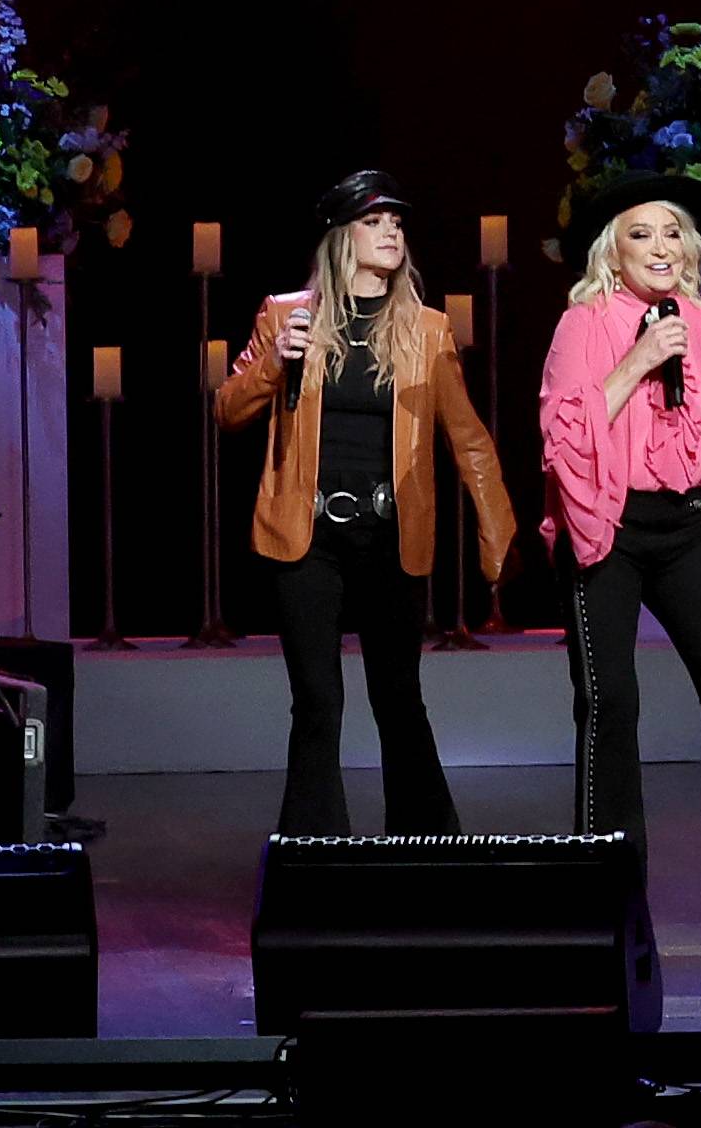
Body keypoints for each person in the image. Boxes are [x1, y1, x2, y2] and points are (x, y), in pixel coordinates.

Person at [220, 170, 521, 838]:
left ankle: (426, 844)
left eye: (397, 223)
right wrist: (274, 362)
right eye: (374, 221)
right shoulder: (283, 315)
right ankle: (312, 852)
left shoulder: (427, 330)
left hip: (390, 532)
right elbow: (228, 409)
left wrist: (496, 530)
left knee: (398, 696)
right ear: (341, 236)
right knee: (318, 703)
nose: (391, 232)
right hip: (307, 534)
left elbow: (468, 438)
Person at [540, 198, 701, 948]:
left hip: (683, 524)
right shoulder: (584, 325)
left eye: (671, 232)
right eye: (640, 235)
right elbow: (563, 437)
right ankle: (608, 896)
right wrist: (640, 359)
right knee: (611, 703)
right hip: (607, 521)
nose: (660, 246)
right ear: (612, 254)